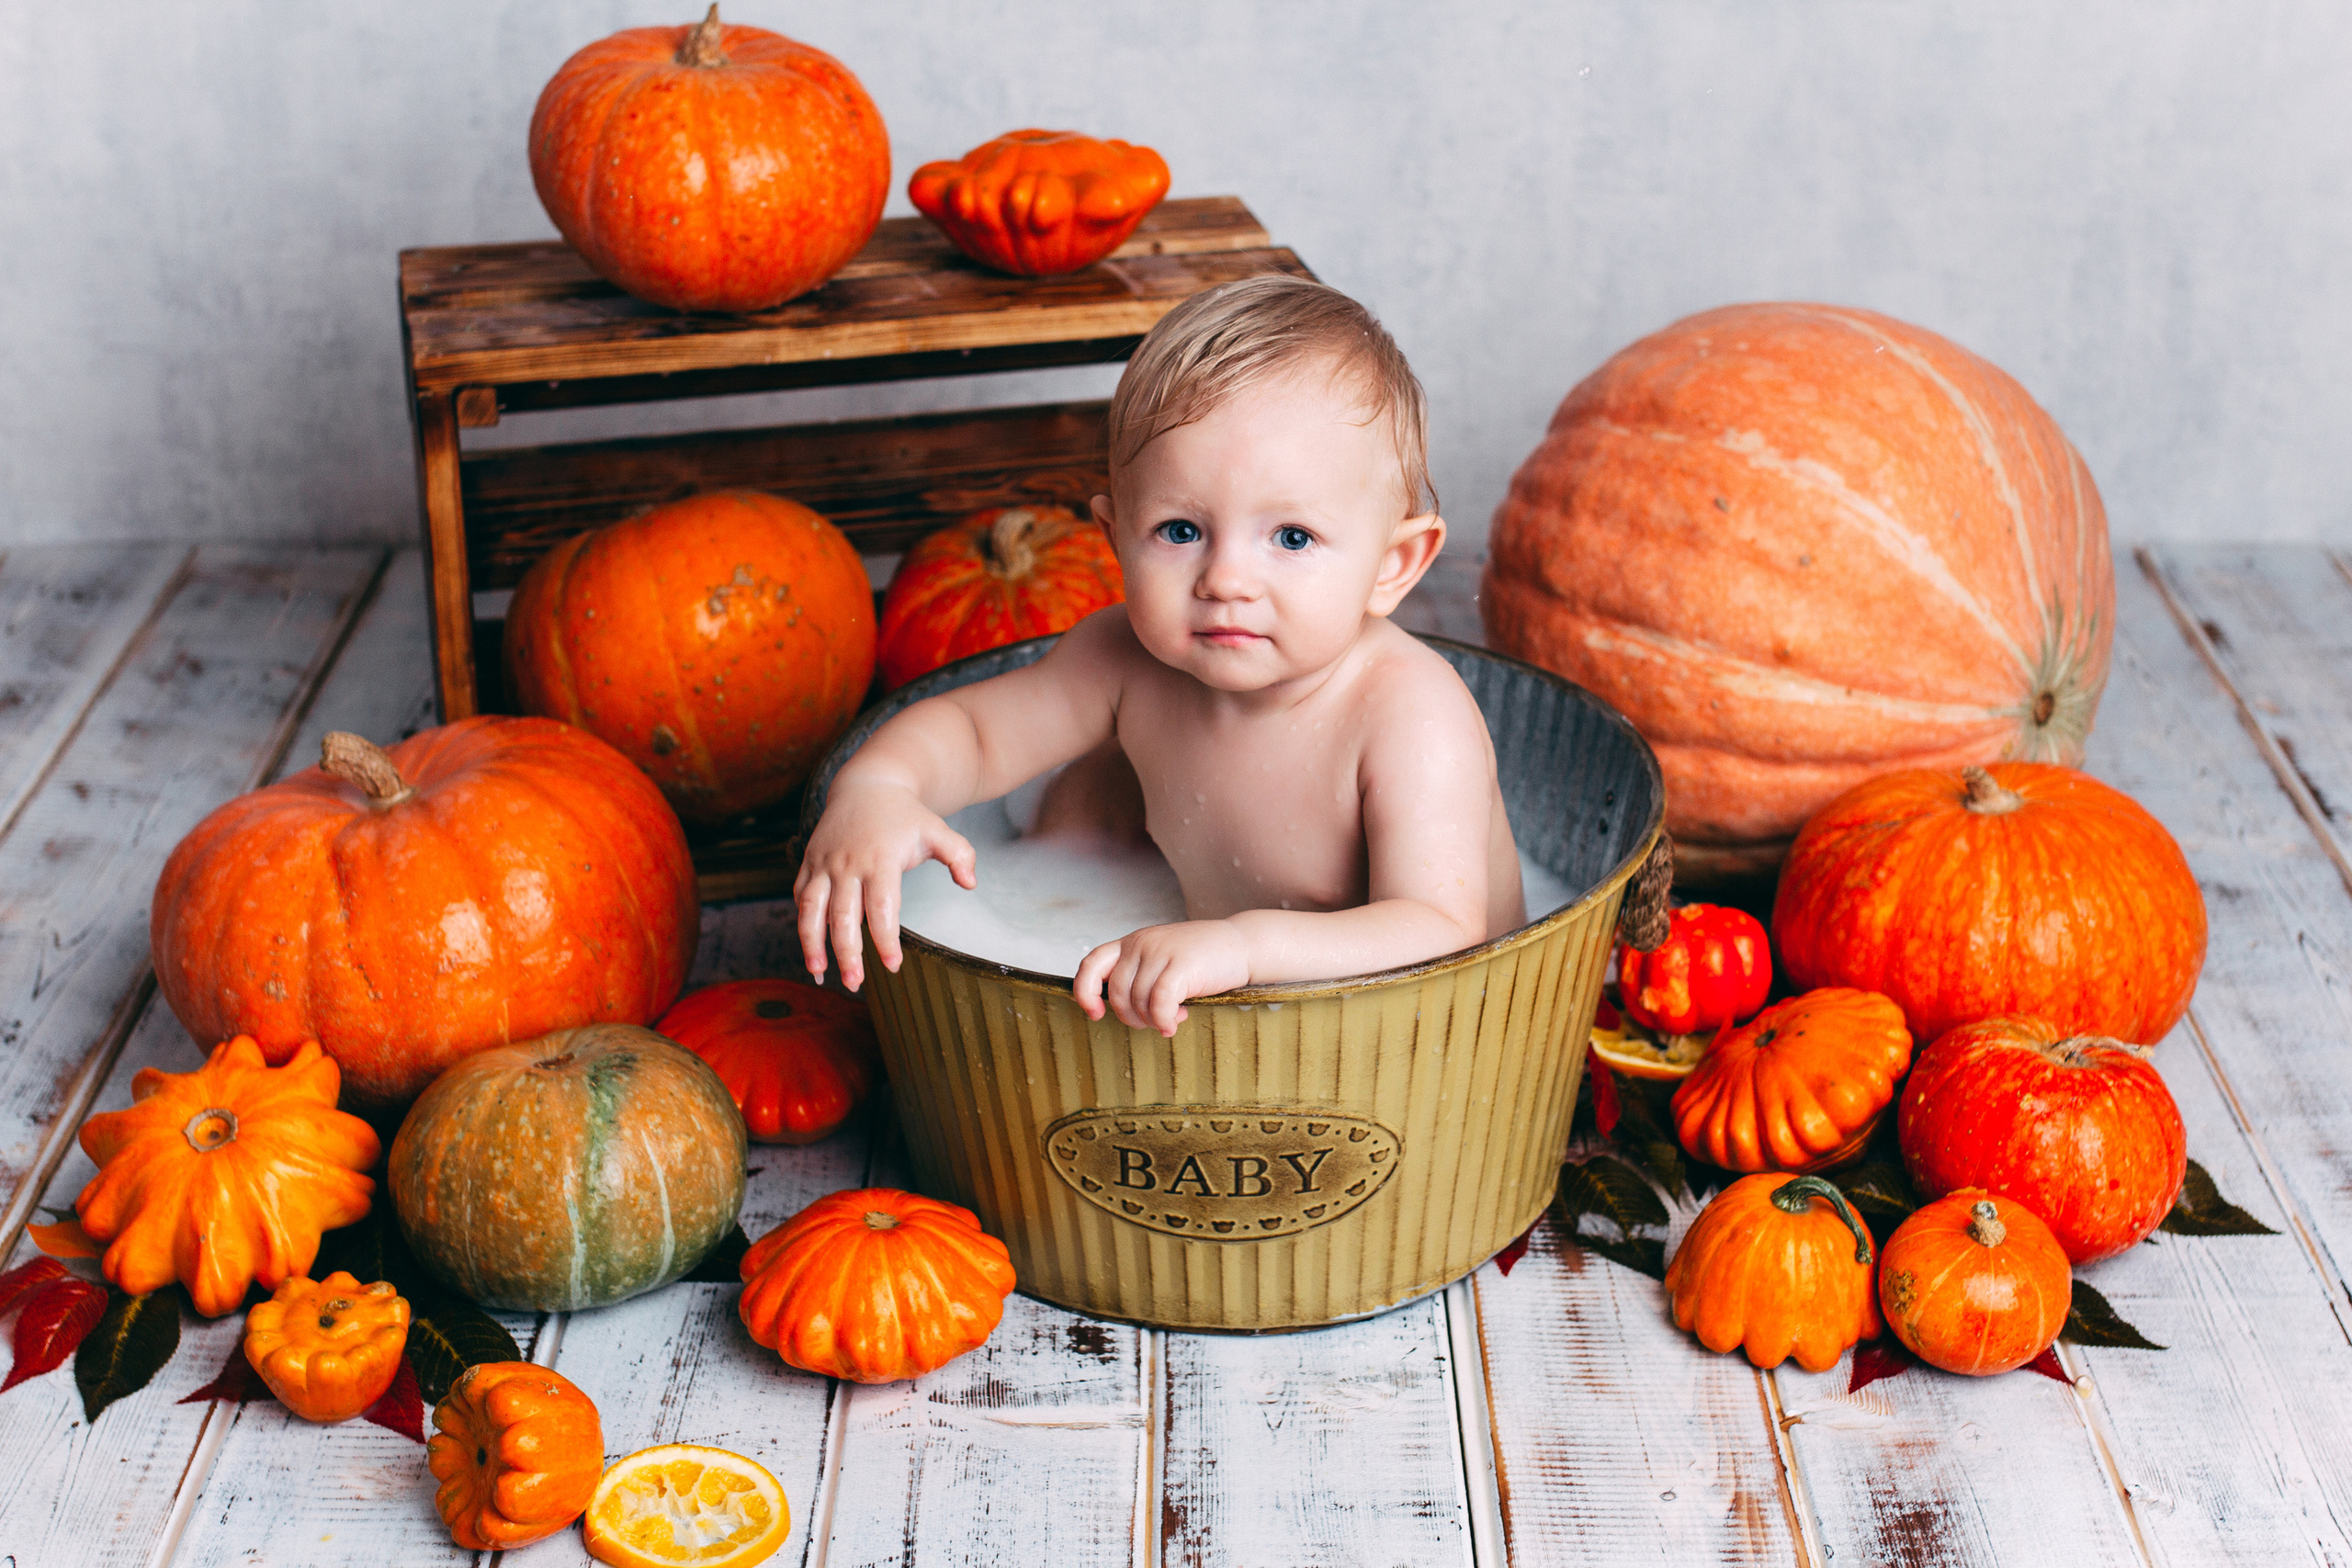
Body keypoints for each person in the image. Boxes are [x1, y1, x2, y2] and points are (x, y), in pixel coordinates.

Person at [795, 274, 1523, 1035]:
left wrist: (1242, 948)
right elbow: (975, 735)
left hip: (1426, 1039)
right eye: (1180, 531)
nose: (1227, 580)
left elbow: (1441, 928)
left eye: (1292, 537)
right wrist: (878, 787)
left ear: (1392, 566)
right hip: (1211, 997)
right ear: (1115, 541)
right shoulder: (1121, 659)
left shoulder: (1408, 712)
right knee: (1081, 797)